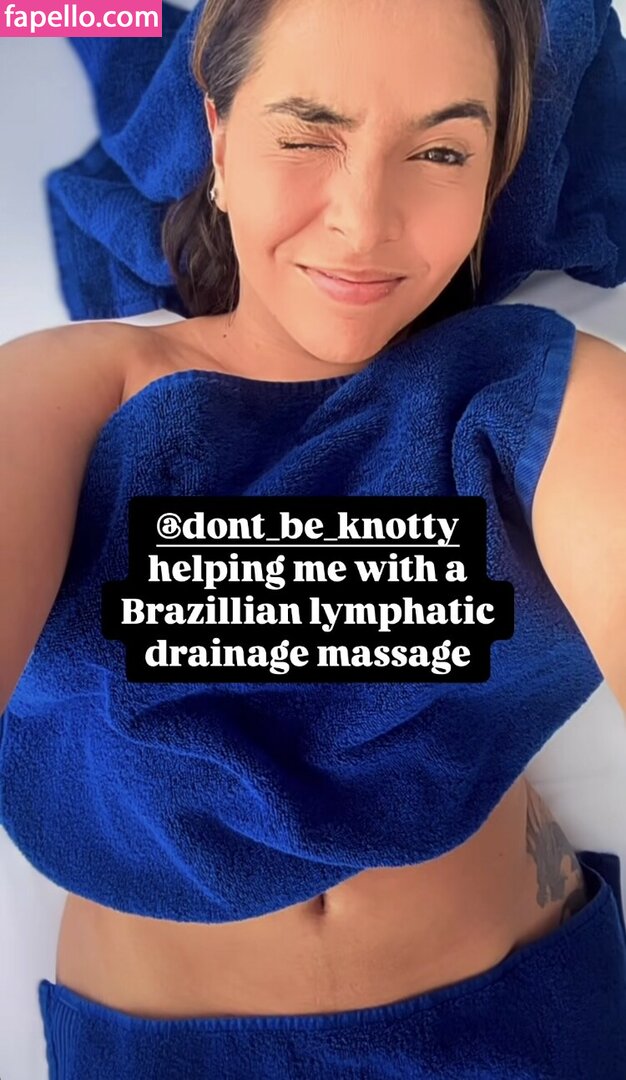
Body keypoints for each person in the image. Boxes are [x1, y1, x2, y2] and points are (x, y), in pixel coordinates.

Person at [2, 0, 626, 1075]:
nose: (363, 222)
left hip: (526, 1023)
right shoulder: (70, 393)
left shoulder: (534, 393)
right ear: (217, 140)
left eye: (440, 151)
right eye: (305, 136)